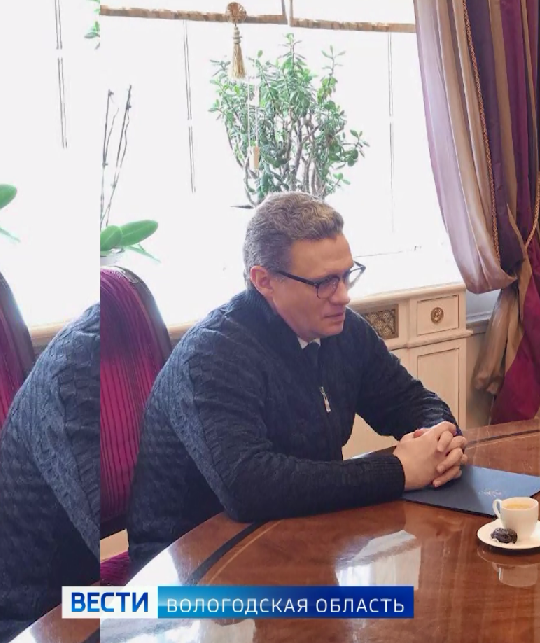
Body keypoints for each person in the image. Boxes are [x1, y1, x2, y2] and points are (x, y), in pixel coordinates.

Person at [127, 192, 466, 572]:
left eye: (347, 275)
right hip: (191, 569)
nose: (343, 295)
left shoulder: (344, 331)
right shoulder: (212, 354)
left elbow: (410, 400)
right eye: (324, 282)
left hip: (298, 533)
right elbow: (249, 487)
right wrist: (400, 471)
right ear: (264, 281)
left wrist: (439, 438)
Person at [0, 305, 100, 643]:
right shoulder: (75, 369)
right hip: (32, 619)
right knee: (214, 601)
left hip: (90, 592)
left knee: (224, 600)